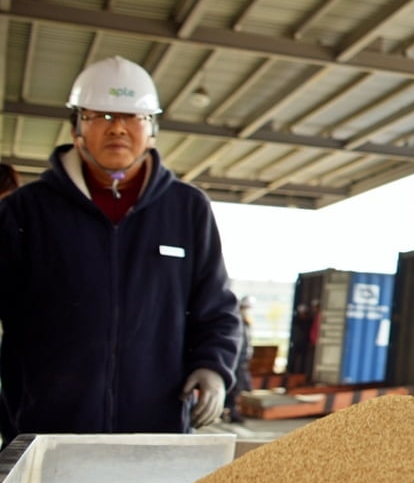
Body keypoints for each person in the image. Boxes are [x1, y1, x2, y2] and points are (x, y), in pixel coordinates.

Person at [0, 56, 239, 444]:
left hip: (154, 428)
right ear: (78, 125)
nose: (119, 129)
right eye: (102, 117)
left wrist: (213, 367)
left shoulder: (187, 208)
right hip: (44, 429)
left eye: (133, 118)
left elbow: (216, 307)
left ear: (152, 128)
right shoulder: (26, 210)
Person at [225, 296, 255, 423]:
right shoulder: (236, 319)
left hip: (241, 359)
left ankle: (230, 410)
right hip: (237, 359)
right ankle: (231, 412)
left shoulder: (245, 321)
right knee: (234, 387)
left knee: (239, 387)